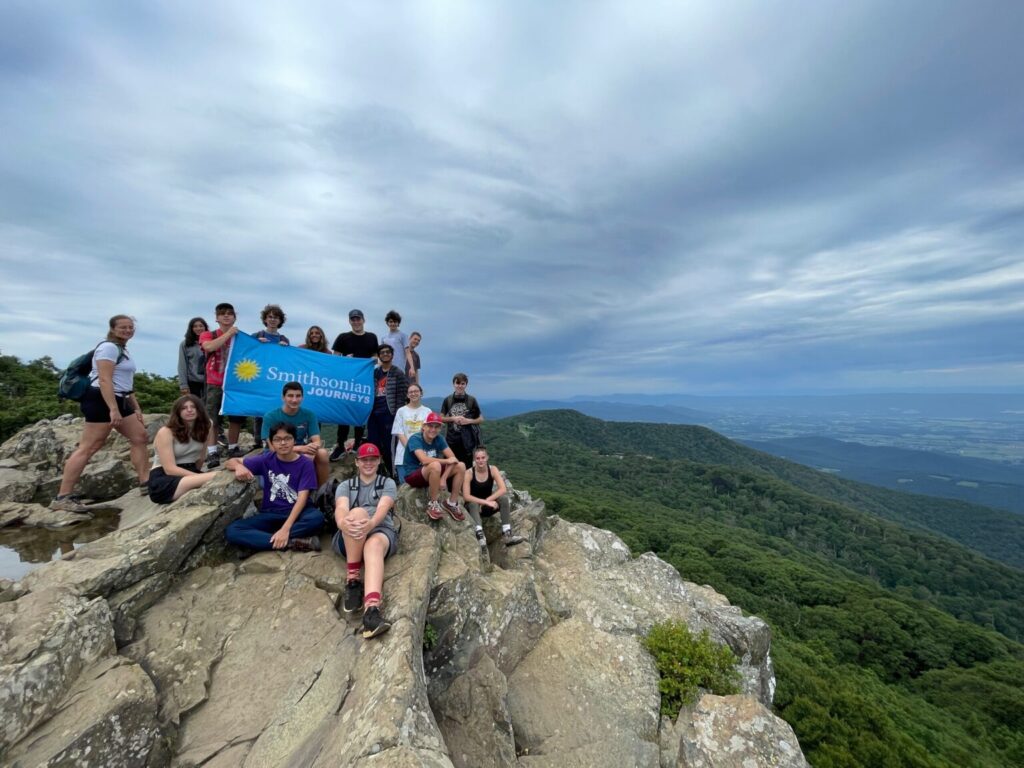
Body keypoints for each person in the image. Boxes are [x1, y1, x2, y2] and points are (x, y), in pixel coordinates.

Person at [50, 315, 150, 512]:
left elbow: (126, 384)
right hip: (101, 399)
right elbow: (105, 379)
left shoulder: (122, 350)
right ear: (112, 329)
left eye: (130, 327)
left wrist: (135, 407)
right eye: (123, 327)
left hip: (120, 398)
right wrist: (113, 409)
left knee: (140, 437)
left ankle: (145, 483)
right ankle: (62, 497)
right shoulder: (108, 348)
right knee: (89, 447)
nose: (128, 330)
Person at [332, 443, 399, 639]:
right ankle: (353, 578)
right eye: (364, 460)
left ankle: (372, 612)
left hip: (379, 530)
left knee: (374, 545)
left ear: (379, 461)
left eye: (373, 459)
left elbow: (384, 507)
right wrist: (341, 523)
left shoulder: (387, 483)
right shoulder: (346, 486)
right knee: (357, 512)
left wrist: (371, 525)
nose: (368, 463)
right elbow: (341, 508)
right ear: (357, 462)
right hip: (350, 536)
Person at [223, 422, 323, 552]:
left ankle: (260, 541)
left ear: (294, 441)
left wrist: (286, 528)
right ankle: (292, 543)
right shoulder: (266, 459)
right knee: (232, 531)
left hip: (299, 512)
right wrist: (238, 466)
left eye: (287, 438)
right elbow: (229, 462)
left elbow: (302, 499)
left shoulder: (305, 463)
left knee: (317, 519)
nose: (283, 443)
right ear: (271, 443)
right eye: (277, 440)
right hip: (271, 513)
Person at [147, 395, 219, 504]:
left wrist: (198, 475)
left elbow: (201, 457)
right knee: (217, 477)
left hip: (190, 471)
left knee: (220, 477)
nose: (189, 410)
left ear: (199, 409)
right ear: (177, 412)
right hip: (165, 478)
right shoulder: (166, 432)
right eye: (184, 408)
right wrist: (200, 477)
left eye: (193, 407)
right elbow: (169, 469)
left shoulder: (207, 425)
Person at [200, 303, 246, 466]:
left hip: (235, 383)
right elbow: (209, 347)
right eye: (222, 314)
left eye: (230, 313)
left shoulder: (241, 337)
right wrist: (229, 334)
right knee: (212, 418)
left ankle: (233, 447)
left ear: (234, 317)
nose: (226, 316)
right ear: (217, 318)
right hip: (214, 382)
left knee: (235, 417)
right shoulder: (208, 334)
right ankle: (212, 452)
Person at [330, 309, 379, 461]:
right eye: (353, 319)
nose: (356, 322)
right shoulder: (343, 337)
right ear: (350, 321)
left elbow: (375, 357)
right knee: (343, 413)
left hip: (364, 383)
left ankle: (358, 444)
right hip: (346, 383)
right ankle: (340, 445)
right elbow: (335, 359)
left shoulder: (372, 337)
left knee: (360, 411)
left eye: (358, 319)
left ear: (363, 320)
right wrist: (345, 359)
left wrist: (371, 359)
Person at [399, 412, 466, 521]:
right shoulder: (415, 439)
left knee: (461, 466)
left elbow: (453, 459)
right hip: (413, 474)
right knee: (435, 465)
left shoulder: (439, 439)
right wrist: (446, 461)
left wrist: (444, 478)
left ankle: (451, 503)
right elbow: (424, 460)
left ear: (440, 429)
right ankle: (433, 504)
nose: (433, 429)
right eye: (430, 426)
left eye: (437, 427)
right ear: (423, 427)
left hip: (432, 473)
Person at [260, 381, 330, 485]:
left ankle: (322, 491)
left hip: (299, 451)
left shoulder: (309, 415)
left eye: (298, 396)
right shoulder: (270, 416)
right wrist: (300, 448)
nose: (294, 400)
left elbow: (317, 441)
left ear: (302, 397)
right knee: (264, 484)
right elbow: (272, 448)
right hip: (276, 453)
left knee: (322, 453)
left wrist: (310, 450)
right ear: (283, 397)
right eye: (290, 396)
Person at [462, 446, 526, 548]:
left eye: (483, 457)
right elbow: (466, 496)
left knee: (504, 499)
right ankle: (480, 536)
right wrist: (485, 502)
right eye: (478, 458)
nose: (480, 460)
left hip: (486, 506)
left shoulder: (493, 469)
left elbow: (503, 489)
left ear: (487, 458)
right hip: (472, 507)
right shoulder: (469, 473)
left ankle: (507, 534)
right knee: (473, 504)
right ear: (474, 459)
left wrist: (487, 501)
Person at [366, 343, 408, 478]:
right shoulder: (374, 373)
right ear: (379, 355)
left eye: (388, 352)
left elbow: (402, 395)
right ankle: (375, 474)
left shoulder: (398, 373)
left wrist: (397, 414)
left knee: (390, 447)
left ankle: (393, 474)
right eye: (382, 352)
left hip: (389, 415)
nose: (385, 354)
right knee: (373, 443)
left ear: (392, 355)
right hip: (373, 414)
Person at [252, 304, 290, 443]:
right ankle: (258, 440)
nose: (273, 320)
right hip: (260, 377)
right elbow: (247, 352)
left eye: (276, 317)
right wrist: (255, 343)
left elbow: (287, 360)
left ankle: (274, 438)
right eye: (270, 317)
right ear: (265, 319)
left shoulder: (284, 339)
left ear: (280, 321)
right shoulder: (256, 336)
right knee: (259, 409)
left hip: (276, 378)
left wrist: (285, 349)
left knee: (275, 408)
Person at [441, 372, 483, 468]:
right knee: (449, 467)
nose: (460, 386)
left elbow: (481, 419)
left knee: (466, 468)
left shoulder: (472, 400)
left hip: (467, 442)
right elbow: (441, 418)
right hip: (451, 441)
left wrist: (469, 421)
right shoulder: (448, 400)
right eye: (457, 383)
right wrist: (453, 418)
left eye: (462, 383)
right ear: (454, 384)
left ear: (466, 385)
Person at [391, 382, 431, 471]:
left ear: (421, 393)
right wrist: (412, 450)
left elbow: (429, 433)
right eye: (411, 392)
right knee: (405, 485)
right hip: (403, 456)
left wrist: (419, 453)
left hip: (423, 457)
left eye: (416, 391)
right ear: (407, 395)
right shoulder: (401, 411)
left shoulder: (427, 411)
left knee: (423, 484)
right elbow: (399, 433)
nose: (413, 394)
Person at [379, 310, 415, 385]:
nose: (393, 324)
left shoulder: (403, 336)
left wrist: (412, 367)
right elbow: (381, 355)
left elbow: (408, 352)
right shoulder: (383, 338)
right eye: (391, 321)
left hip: (399, 369)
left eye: (395, 322)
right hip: (386, 369)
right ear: (387, 323)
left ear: (398, 323)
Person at [177, 317, 208, 398]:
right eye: (195, 326)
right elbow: (182, 365)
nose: (198, 328)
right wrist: (183, 385)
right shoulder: (185, 344)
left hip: (210, 382)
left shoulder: (211, 342)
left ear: (205, 327)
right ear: (191, 328)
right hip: (193, 382)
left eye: (201, 326)